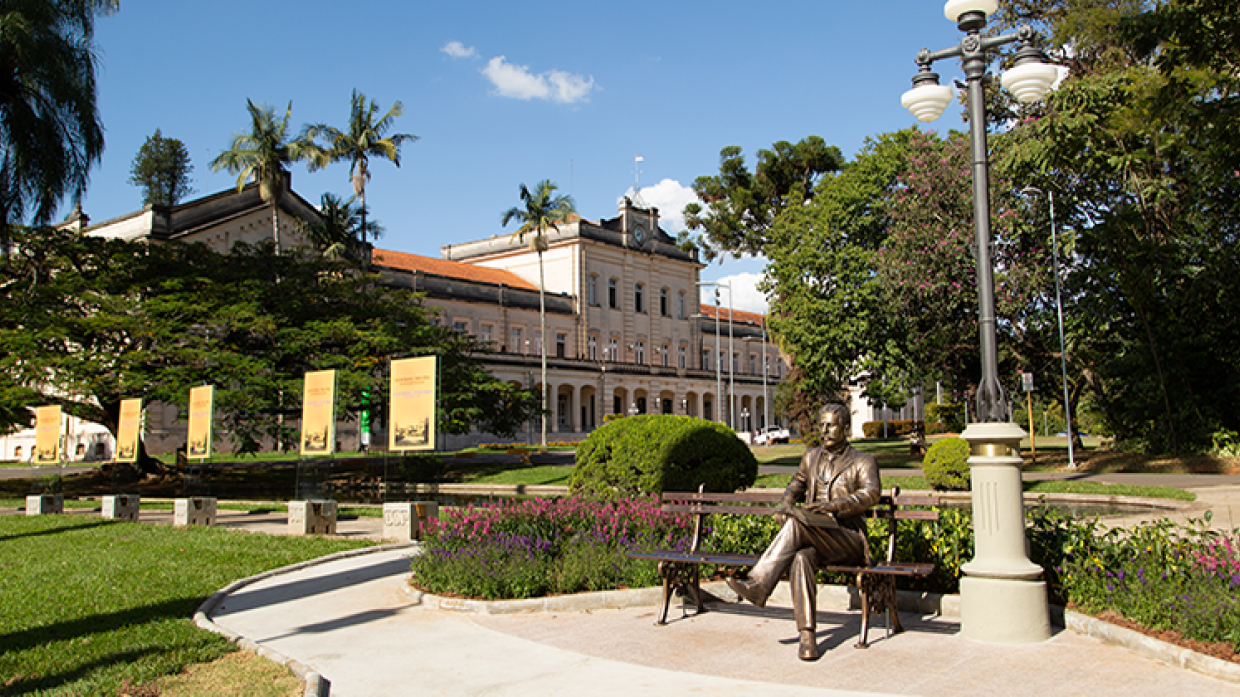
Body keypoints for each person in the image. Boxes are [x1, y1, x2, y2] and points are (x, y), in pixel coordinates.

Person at [726, 403, 881, 660]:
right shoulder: (811, 457)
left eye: (830, 425)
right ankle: (807, 637)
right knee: (800, 558)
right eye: (821, 425)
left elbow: (871, 493)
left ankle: (759, 584)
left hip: (847, 537)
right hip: (814, 535)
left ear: (845, 427)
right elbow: (796, 484)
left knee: (797, 523)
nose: (825, 430)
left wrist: (835, 506)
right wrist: (787, 503)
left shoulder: (863, 461)